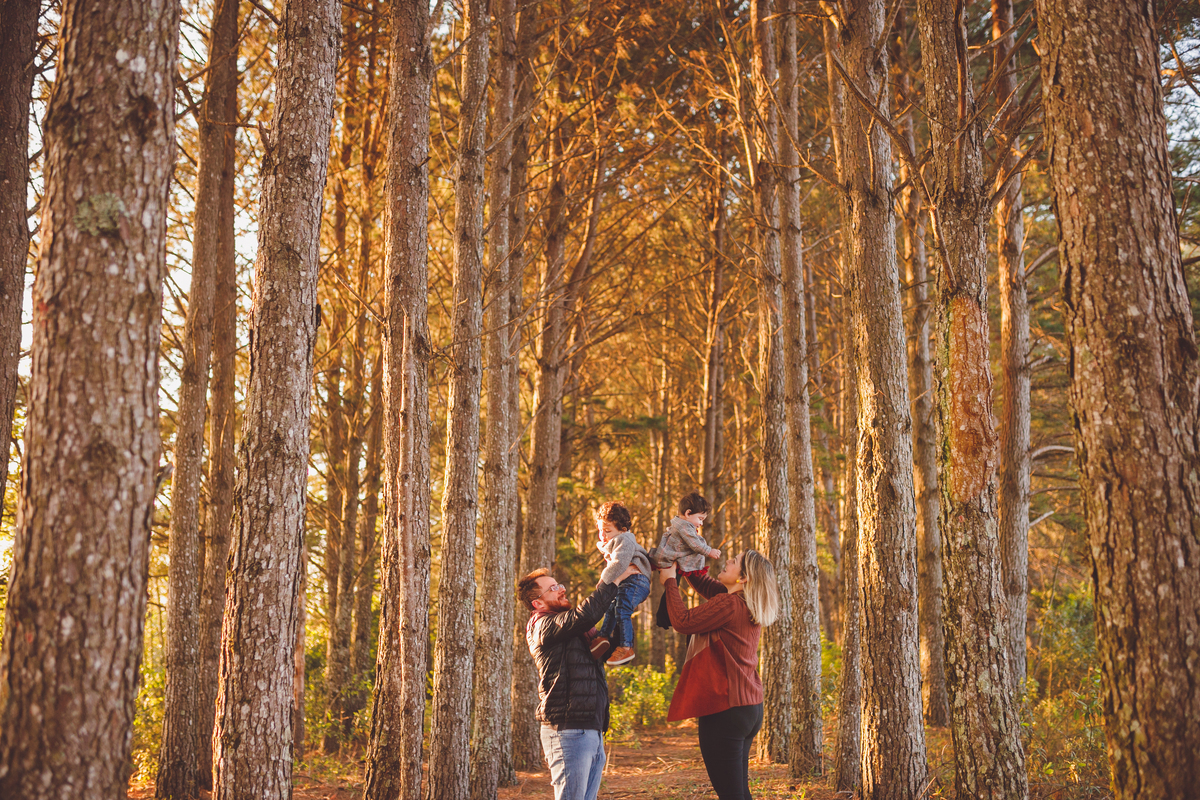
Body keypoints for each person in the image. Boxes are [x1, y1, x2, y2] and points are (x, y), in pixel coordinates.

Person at [658, 550, 780, 800]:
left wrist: (670, 581)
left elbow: (682, 621)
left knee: (731, 794)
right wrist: (685, 564)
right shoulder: (743, 602)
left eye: (734, 562)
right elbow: (706, 585)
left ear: (743, 578)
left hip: (726, 709)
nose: (727, 561)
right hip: (748, 708)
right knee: (738, 792)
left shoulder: (729, 604)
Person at [518, 563, 640, 800]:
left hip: (590, 727)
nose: (561, 589)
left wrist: (622, 610)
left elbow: (605, 651)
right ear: (538, 604)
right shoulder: (542, 626)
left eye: (559, 585)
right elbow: (584, 615)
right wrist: (612, 579)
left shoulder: (576, 630)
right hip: (568, 730)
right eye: (553, 588)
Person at [594, 501, 653, 665]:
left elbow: (619, 563)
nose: (603, 535)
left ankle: (626, 647)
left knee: (622, 610)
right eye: (600, 530)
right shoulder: (612, 542)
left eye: (607, 531)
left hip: (636, 580)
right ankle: (603, 637)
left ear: (623, 530)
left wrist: (603, 580)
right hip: (627, 582)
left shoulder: (624, 539)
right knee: (612, 607)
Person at [651, 492, 721, 629]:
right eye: (700, 519)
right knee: (672, 588)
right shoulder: (685, 527)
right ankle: (664, 618)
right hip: (669, 560)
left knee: (672, 588)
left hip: (672, 559)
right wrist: (709, 551)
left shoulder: (682, 524)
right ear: (688, 513)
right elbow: (695, 544)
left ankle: (664, 618)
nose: (701, 523)